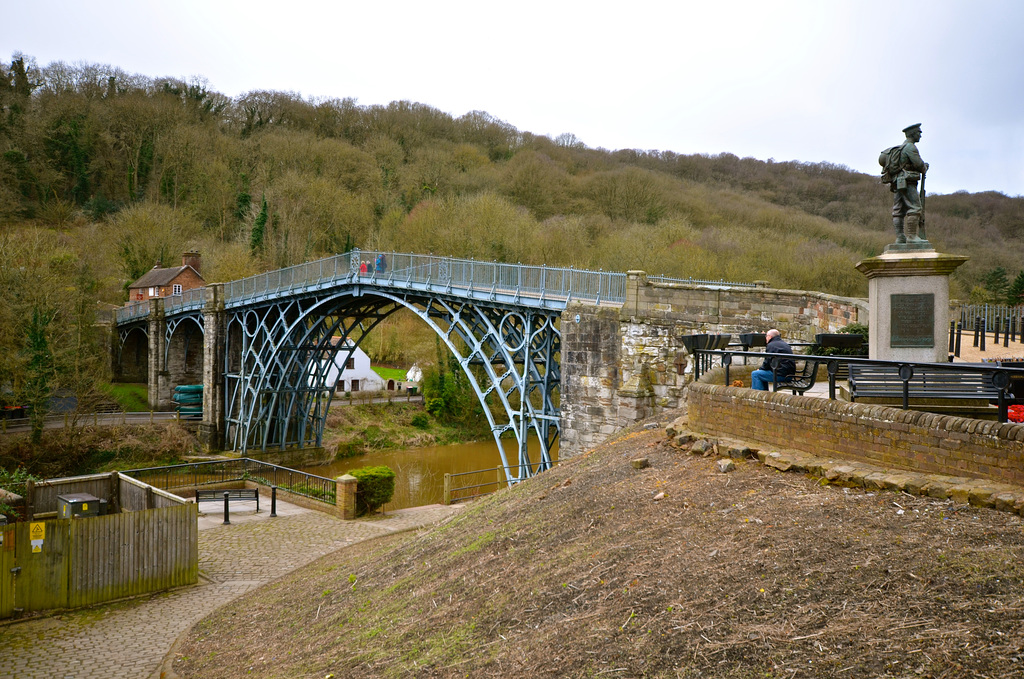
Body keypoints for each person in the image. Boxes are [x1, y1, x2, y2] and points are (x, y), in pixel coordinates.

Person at [886, 123, 930, 244]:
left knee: (898, 210)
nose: (920, 135)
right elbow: (919, 165)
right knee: (915, 207)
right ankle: (911, 236)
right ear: (912, 134)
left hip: (897, 182)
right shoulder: (910, 147)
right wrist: (925, 166)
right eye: (918, 132)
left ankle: (900, 237)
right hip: (908, 182)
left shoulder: (901, 147)